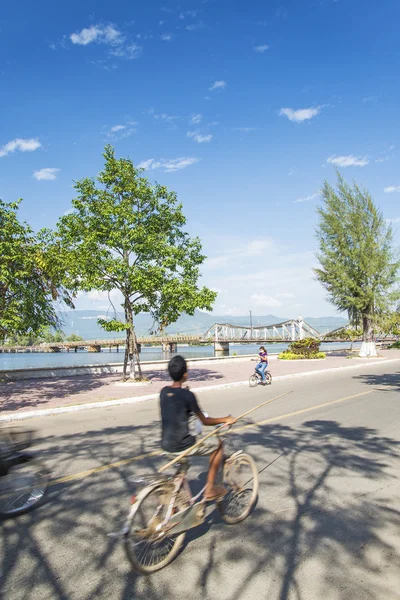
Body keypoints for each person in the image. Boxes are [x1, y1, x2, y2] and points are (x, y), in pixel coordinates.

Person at [160, 355, 236, 501]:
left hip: (165, 445)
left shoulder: (163, 392)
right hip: (181, 445)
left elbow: (175, 407)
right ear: (185, 374)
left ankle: (176, 500)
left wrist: (184, 396)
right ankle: (210, 489)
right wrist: (226, 419)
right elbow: (205, 421)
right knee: (218, 447)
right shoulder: (188, 395)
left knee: (183, 468)